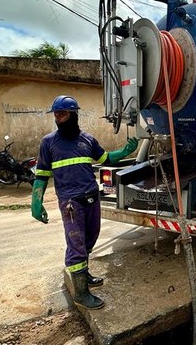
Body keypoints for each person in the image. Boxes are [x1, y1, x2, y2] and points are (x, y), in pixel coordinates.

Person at [30, 95, 138, 310]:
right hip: (71, 203)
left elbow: (105, 159)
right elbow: (41, 175)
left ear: (73, 114)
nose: (58, 118)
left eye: (62, 114)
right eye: (56, 115)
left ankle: (84, 274)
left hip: (91, 197)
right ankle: (81, 293)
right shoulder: (48, 142)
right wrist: (36, 202)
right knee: (76, 245)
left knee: (90, 238)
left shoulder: (87, 139)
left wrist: (126, 151)